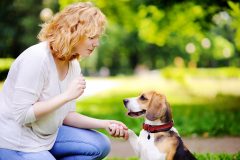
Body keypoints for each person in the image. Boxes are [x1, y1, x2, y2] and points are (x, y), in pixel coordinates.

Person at [0, 2, 128, 160]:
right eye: (92, 37)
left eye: (98, 37)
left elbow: (66, 115)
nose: (97, 43)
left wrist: (105, 123)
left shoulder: (73, 64)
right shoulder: (37, 58)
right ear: (73, 33)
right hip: (16, 141)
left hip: (48, 136)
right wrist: (66, 96)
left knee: (101, 145)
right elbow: (22, 114)